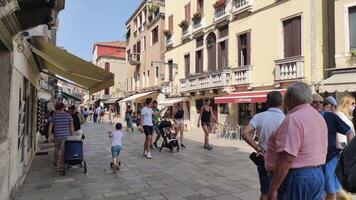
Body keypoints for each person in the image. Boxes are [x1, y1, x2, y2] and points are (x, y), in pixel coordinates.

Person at [266, 82, 327, 200]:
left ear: (290, 98)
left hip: (298, 177)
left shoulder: (293, 119)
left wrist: (273, 189)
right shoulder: (318, 116)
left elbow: (286, 158)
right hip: (317, 174)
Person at [241, 91, 285, 200]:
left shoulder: (259, 116)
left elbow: (244, 132)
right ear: (282, 103)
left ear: (267, 103)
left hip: (263, 157)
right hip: (280, 159)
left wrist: (257, 148)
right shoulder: (286, 118)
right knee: (279, 191)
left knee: (265, 192)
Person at [311, 94, 354, 200]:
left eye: (321, 102)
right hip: (311, 161)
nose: (318, 104)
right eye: (315, 102)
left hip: (329, 159)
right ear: (309, 104)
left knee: (331, 190)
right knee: (315, 192)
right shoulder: (306, 118)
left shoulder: (330, 117)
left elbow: (349, 132)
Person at [48, 102, 74, 174]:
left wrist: (49, 135)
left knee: (57, 149)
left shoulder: (54, 115)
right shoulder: (68, 115)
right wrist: (72, 135)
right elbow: (71, 126)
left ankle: (56, 162)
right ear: (63, 107)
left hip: (58, 135)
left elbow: (50, 126)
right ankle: (62, 165)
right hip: (66, 136)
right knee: (63, 151)